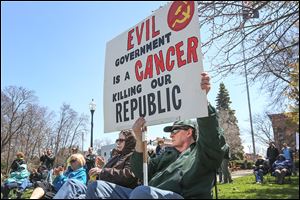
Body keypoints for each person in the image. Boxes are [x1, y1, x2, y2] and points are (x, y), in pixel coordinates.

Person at [84, 72, 227, 199]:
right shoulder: (166, 154)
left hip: (178, 195)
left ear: (189, 132)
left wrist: (202, 101)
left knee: (141, 193)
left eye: (175, 130)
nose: (170, 134)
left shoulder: (202, 153)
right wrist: (139, 141)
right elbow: (140, 172)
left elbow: (211, 138)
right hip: (146, 193)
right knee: (96, 187)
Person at [53, 130, 139, 199]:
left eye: (121, 140)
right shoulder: (116, 157)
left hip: (120, 191)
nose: (118, 143)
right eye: (117, 140)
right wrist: (99, 170)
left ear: (129, 142)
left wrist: (102, 171)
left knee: (95, 186)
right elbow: (105, 174)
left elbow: (129, 176)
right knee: (72, 183)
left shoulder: (133, 156)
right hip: (102, 188)